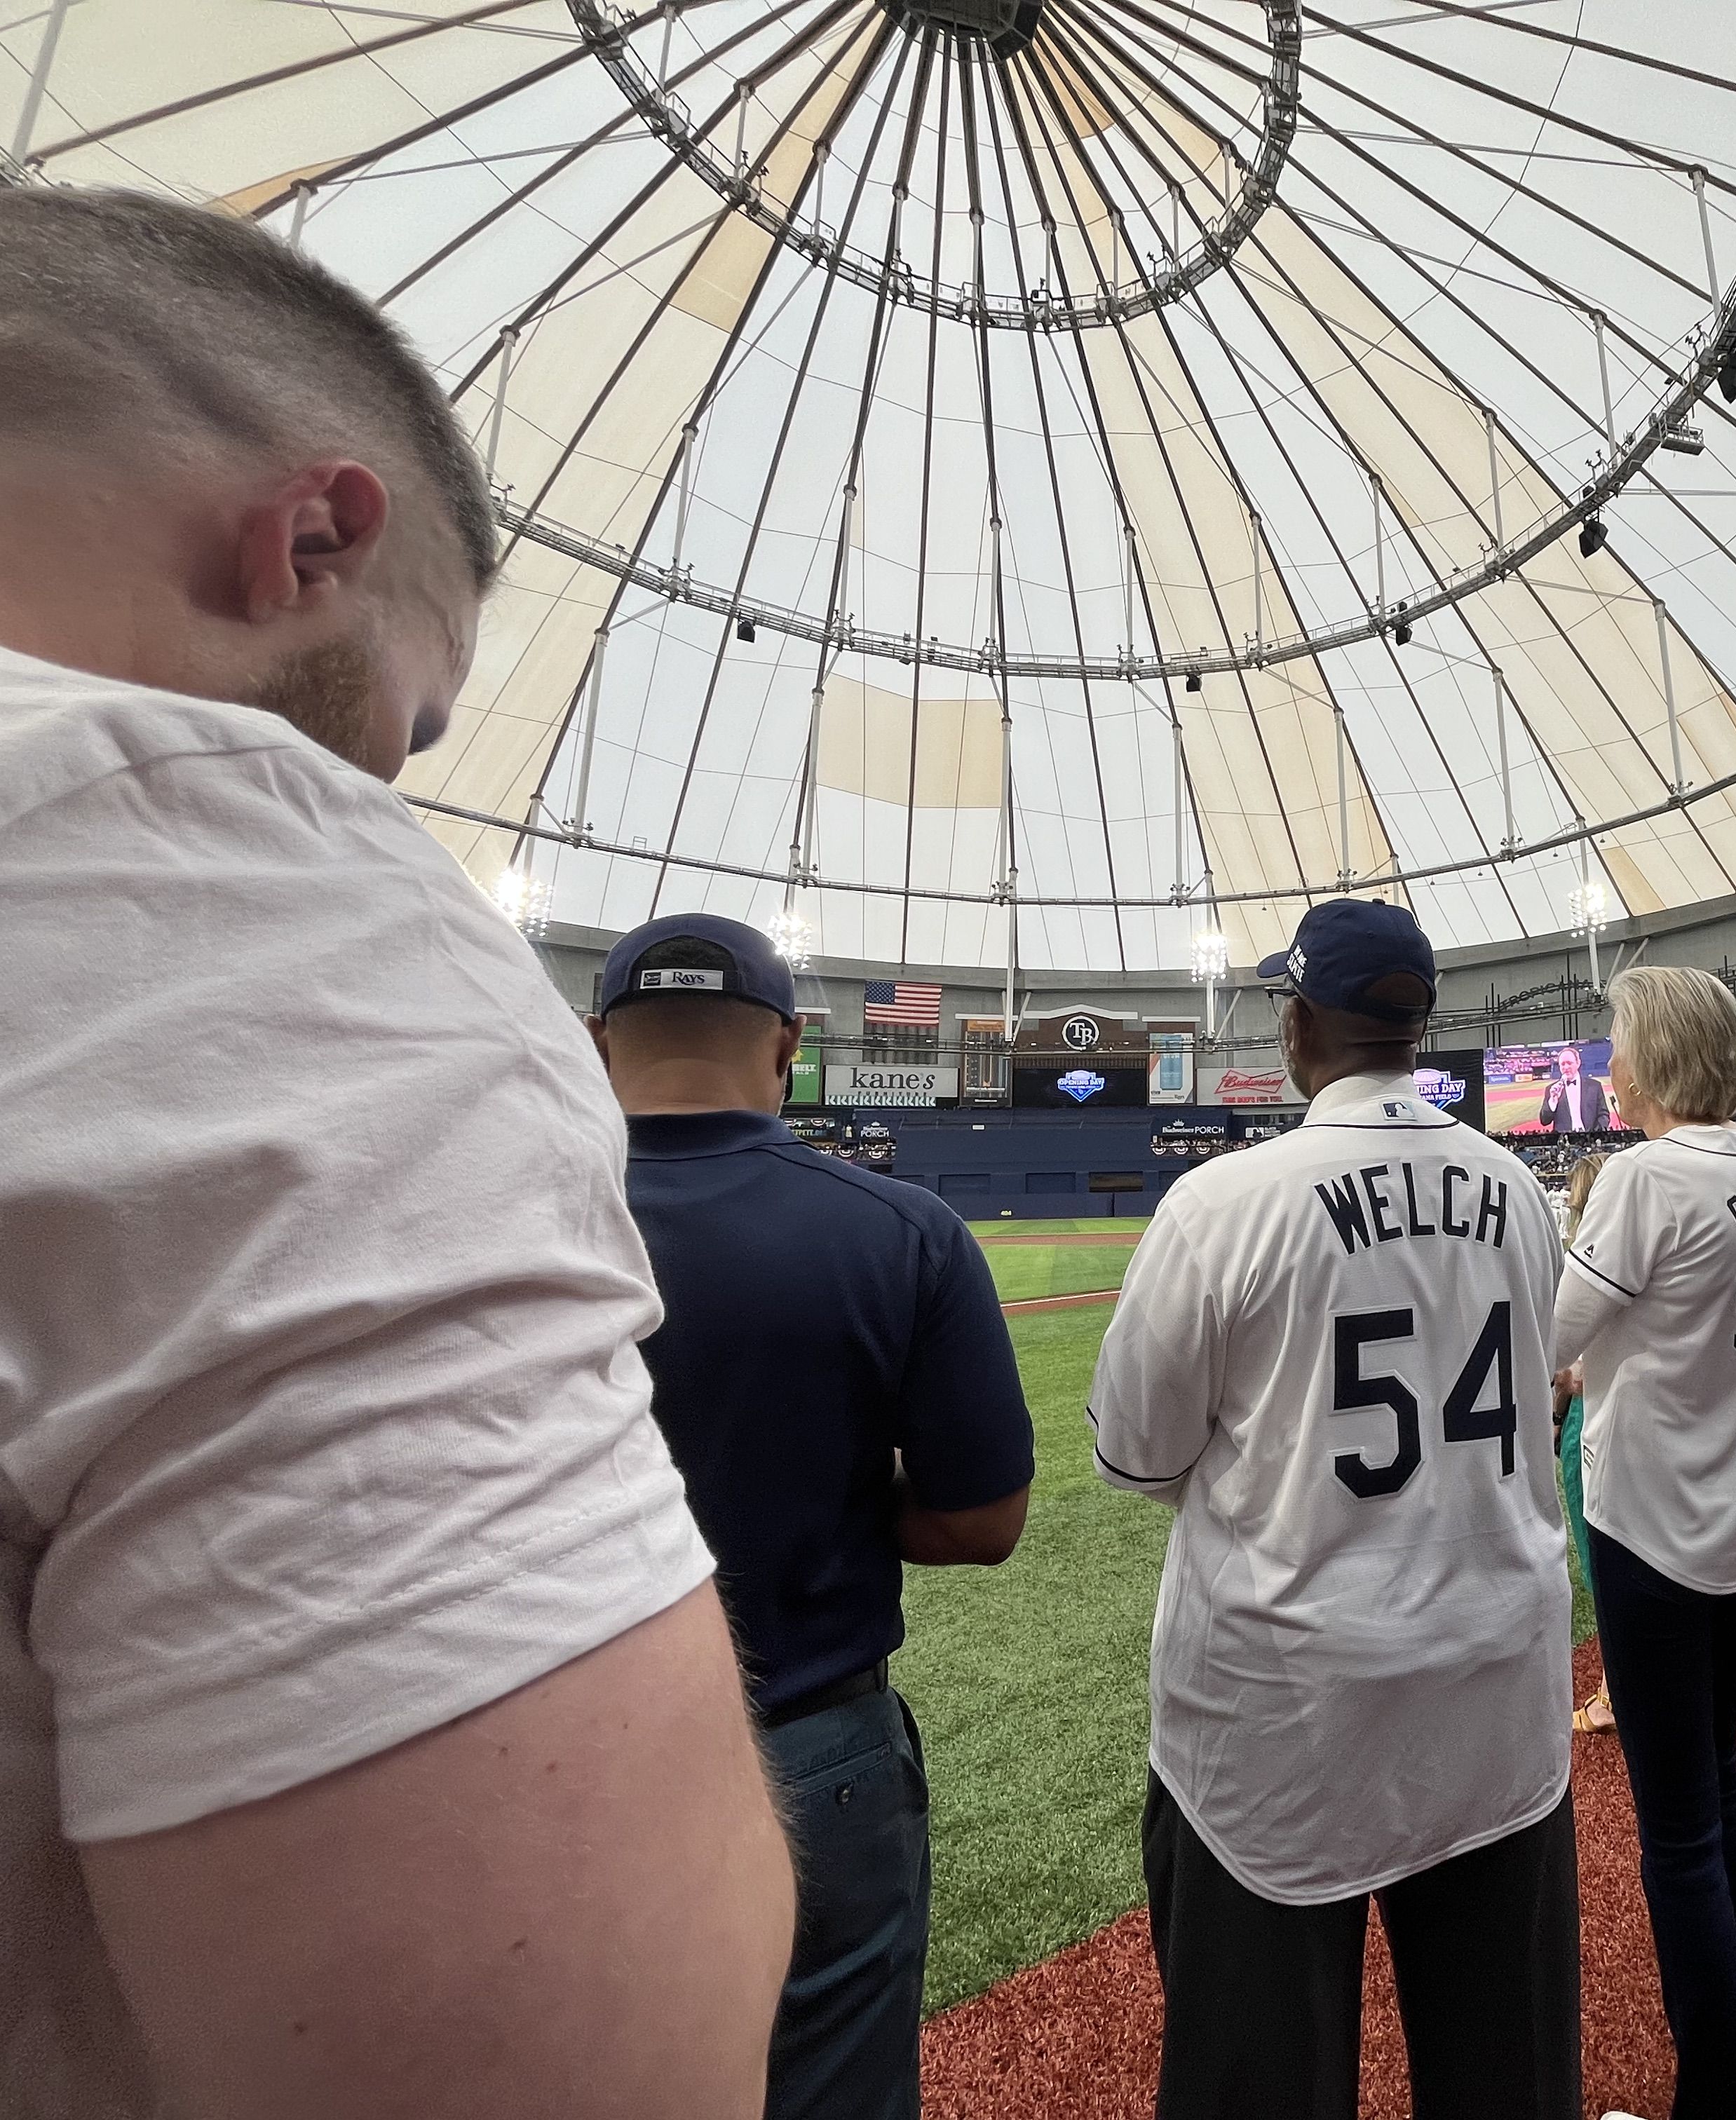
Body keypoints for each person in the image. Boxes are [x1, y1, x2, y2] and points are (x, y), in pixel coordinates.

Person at [0, 185, 793, 2119]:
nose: (376, 784)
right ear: (313, 538)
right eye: (403, 723)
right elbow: (581, 2063)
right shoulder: (227, 874)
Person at [1089, 899, 1578, 2120]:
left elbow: (1139, 1456)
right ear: (1419, 1026)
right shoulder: (1519, 1185)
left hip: (1282, 1710)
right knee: (1502, 2072)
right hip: (1496, 1686)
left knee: (1258, 2078)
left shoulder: (1222, 1200)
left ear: (1300, 1018)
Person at [588, 913, 1037, 2120]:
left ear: (596, 1041)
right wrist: (837, 1493)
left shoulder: (481, 1222)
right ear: (788, 1042)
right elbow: (984, 1517)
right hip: (811, 1744)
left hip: (545, 1757)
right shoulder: (903, 1229)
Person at [1554, 965, 1736, 2117]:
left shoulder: (1648, 1173)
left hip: (1655, 1516)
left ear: (1654, 1059)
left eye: (1616, 1043)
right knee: (1721, 1792)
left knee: (1680, 1827)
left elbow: (1546, 1330)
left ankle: (1723, 2096)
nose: (1607, 1064)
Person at [1560, 1151, 1620, 1737]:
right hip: (1658, 1418)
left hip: (1597, 1417)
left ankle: (1614, 1690)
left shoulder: (1588, 1260)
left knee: (1605, 1556)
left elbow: (1565, 1367)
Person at [1538, 1042, 1614, 1132]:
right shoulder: (1552, 1090)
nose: (1566, 1067)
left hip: (1590, 1139)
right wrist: (1553, 1101)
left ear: (1578, 1063)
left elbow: (1604, 1114)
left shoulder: (1595, 1087)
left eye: (1569, 1063)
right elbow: (1545, 1121)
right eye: (1562, 1064)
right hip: (1565, 1140)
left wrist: (1595, 1133)